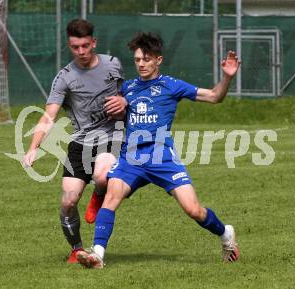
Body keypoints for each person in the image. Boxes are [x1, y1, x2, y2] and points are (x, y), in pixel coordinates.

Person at [76, 32, 241, 269]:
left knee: (193, 210)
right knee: (110, 200)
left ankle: (225, 234)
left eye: (146, 59)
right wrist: (120, 104)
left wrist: (227, 77)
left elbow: (215, 97)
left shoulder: (172, 85)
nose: (141, 64)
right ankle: (98, 255)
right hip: (131, 157)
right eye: (137, 60)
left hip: (162, 157)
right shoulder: (129, 88)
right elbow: (112, 109)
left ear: (158, 60)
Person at [22, 18, 127, 264]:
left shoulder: (113, 65)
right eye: (74, 47)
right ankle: (76, 249)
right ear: (69, 46)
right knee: (68, 200)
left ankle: (99, 195)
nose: (80, 52)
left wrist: (122, 105)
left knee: (102, 176)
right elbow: (49, 116)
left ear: (94, 42)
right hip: (80, 145)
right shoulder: (65, 77)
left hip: (111, 138)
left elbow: (124, 96)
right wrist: (33, 147)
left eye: (85, 46)